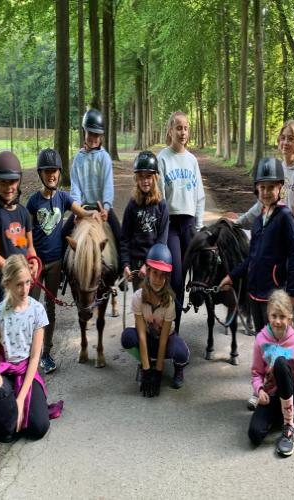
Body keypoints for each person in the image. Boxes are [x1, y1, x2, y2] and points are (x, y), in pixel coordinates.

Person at [0, 255, 63, 441]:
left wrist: (21, 401)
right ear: (7, 284)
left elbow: (35, 357)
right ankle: (7, 410)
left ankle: (18, 405)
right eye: (19, 284)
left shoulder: (37, 311)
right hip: (5, 372)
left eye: (28, 282)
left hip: (27, 371)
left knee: (39, 429)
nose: (25, 289)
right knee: (5, 431)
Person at [27, 148, 100, 374]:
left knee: (50, 308)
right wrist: (28, 251)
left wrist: (95, 214)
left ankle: (46, 353)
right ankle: (27, 353)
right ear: (41, 174)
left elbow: (81, 212)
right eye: (47, 171)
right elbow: (26, 231)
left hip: (55, 264)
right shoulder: (33, 202)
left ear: (59, 173)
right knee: (30, 307)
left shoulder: (63, 198)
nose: (52, 175)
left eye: (55, 171)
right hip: (37, 263)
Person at [219, 157, 294, 332]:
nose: (266, 192)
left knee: (275, 343)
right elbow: (252, 258)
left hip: (275, 297)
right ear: (257, 188)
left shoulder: (285, 217)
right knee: (261, 340)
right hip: (255, 295)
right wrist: (231, 276)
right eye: (262, 187)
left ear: (280, 187)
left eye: (271, 187)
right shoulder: (258, 220)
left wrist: (293, 292)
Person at [227, 119, 294, 265]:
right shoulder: (277, 168)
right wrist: (238, 223)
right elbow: (262, 205)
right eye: (283, 138)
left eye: (290, 139)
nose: (285, 142)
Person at [247, 290, 294, 456]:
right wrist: (259, 390)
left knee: (281, 363)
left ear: (289, 318)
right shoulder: (261, 339)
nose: (277, 321)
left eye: (282, 317)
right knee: (254, 435)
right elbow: (256, 373)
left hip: (292, 393)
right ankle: (278, 418)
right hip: (271, 394)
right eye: (274, 316)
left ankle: (289, 426)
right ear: (268, 315)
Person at [157, 111, 205, 331]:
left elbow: (199, 195)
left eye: (185, 128)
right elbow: (160, 198)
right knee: (176, 278)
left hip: (190, 224)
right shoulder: (163, 158)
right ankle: (172, 328)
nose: (183, 132)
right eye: (178, 128)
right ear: (170, 131)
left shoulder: (192, 160)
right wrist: (162, 230)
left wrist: (199, 227)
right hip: (172, 225)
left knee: (196, 276)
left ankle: (181, 320)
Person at [121, 243, 190, 395]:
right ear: (148, 272)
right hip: (148, 337)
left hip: (165, 339)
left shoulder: (169, 302)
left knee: (181, 354)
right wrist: (147, 371)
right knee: (127, 337)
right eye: (155, 273)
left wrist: (158, 373)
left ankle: (178, 368)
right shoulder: (138, 297)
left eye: (163, 275)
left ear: (167, 277)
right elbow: (141, 335)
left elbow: (164, 340)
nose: (158, 279)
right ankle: (145, 363)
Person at [0, 151, 38, 305]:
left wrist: (34, 262)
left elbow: (29, 247)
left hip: (24, 283)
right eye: (3, 182)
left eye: (12, 182)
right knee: (5, 319)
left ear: (19, 181)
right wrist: (17, 272)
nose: (9, 187)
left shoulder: (24, 212)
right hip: (6, 284)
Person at [63, 108, 121, 247]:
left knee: (120, 237)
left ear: (101, 136)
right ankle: (60, 262)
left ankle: (124, 261)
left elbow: (107, 186)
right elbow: (75, 188)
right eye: (90, 133)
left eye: (97, 135)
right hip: (83, 208)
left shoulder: (104, 158)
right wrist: (77, 210)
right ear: (84, 131)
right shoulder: (78, 159)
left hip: (101, 207)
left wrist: (106, 208)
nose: (94, 138)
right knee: (62, 235)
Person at [121, 151, 169, 290]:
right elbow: (125, 238)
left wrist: (148, 264)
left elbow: (161, 241)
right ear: (136, 179)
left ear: (155, 177)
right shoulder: (132, 205)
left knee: (154, 301)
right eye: (141, 177)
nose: (145, 181)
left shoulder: (161, 205)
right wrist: (125, 264)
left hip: (155, 265)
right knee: (140, 301)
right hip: (136, 266)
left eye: (148, 176)